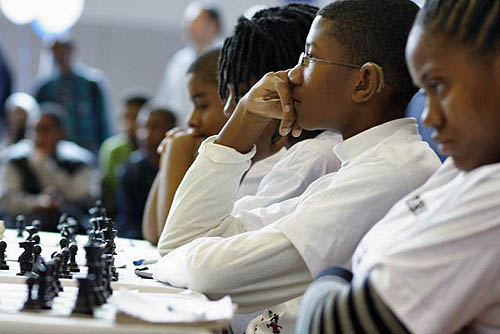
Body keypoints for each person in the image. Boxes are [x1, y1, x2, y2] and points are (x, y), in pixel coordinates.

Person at [153, 0, 441, 333]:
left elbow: (209, 278)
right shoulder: (363, 162)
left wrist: (173, 260)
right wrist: (243, 121)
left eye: (309, 58)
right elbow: (184, 240)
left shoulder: (391, 171)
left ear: (363, 82)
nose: (291, 75)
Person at [296, 0, 500, 333]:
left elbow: (333, 325)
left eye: (439, 86)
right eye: (424, 92)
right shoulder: (466, 168)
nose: (429, 117)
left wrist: (332, 277)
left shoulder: (493, 197)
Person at [143, 4, 341, 246]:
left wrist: (177, 153)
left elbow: (179, 244)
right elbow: (156, 236)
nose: (231, 110)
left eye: (239, 95)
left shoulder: (311, 155)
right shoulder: (283, 153)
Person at [0, 103, 99, 232]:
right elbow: (7, 200)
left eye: (45, 130)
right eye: (34, 130)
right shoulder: (14, 158)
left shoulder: (79, 160)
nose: (38, 137)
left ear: (61, 133)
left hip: (69, 226)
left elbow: (85, 197)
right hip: (24, 225)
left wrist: (46, 166)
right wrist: (37, 203)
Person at [34, 36, 111, 155]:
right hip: (55, 152)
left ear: (71, 50)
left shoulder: (91, 84)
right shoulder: (45, 87)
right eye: (54, 50)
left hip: (87, 149)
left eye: (61, 49)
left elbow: (103, 124)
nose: (58, 54)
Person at [116, 105, 176, 239]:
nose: (146, 135)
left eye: (154, 127)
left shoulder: (186, 163)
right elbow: (127, 218)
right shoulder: (132, 168)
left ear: (171, 130)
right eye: (143, 127)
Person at [156, 2, 222, 123]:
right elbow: (167, 98)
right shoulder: (179, 60)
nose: (189, 27)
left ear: (213, 25)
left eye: (195, 21)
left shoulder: (225, 56)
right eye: (187, 22)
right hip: (183, 126)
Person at [99, 94, 149, 218]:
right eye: (126, 117)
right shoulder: (113, 149)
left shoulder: (153, 147)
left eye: (135, 118)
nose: (130, 124)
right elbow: (112, 189)